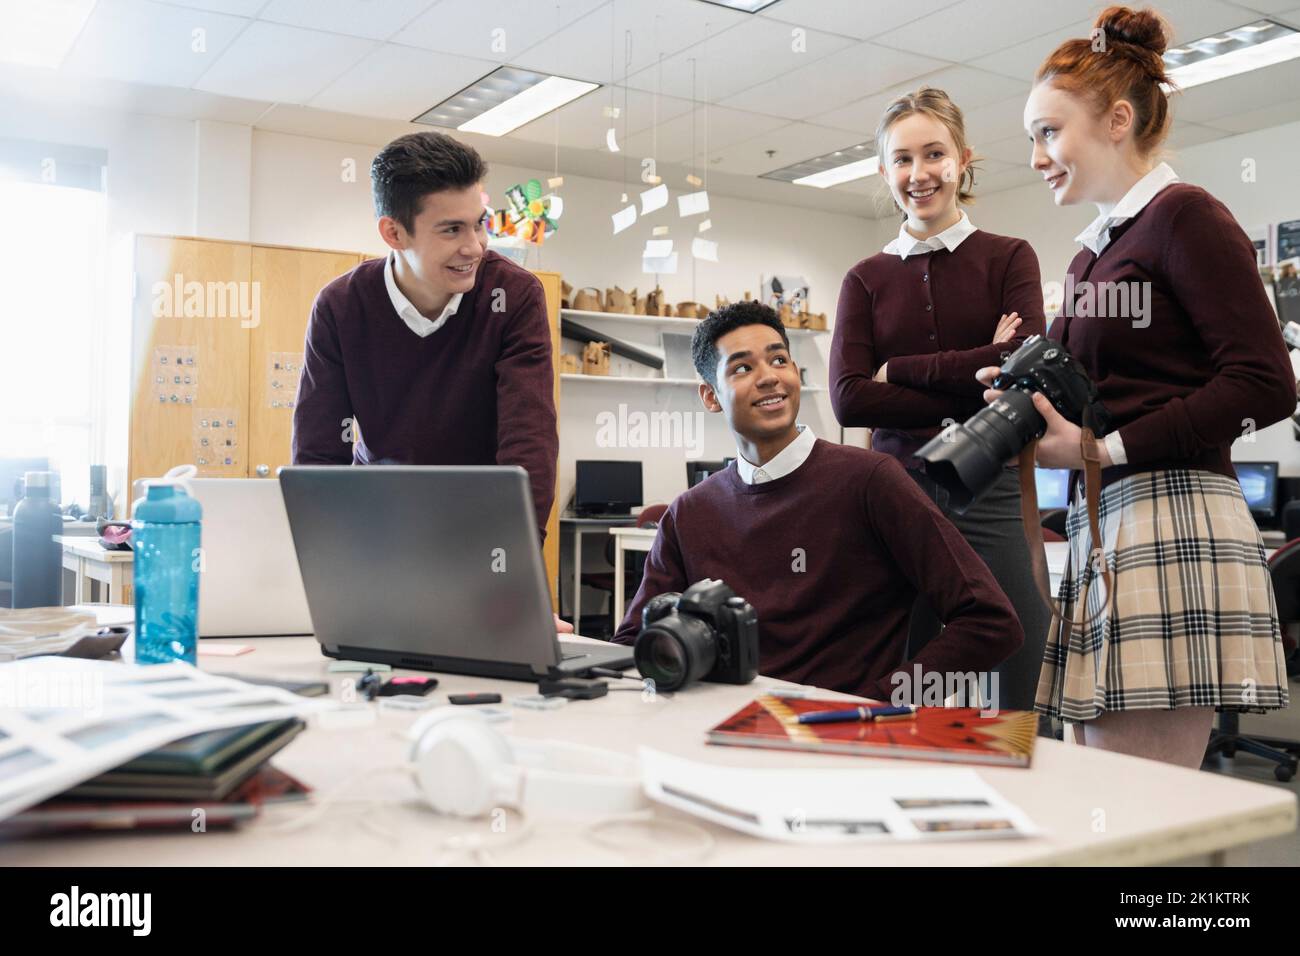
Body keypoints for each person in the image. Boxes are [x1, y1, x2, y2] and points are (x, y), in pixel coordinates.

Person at [977, 5, 1294, 767]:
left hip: (1169, 515)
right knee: (1100, 785)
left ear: (1117, 120)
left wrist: (1102, 444)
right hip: (1107, 523)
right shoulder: (1093, 256)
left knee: (1136, 804)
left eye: (1049, 132)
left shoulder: (1184, 218)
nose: (1035, 156)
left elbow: (1265, 383)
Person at [613, 301, 1023, 703]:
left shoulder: (871, 481)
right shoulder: (689, 513)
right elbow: (633, 642)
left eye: (779, 360)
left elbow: (990, 622)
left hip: (838, 743)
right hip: (722, 736)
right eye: (742, 368)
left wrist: (885, 702)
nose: (768, 377)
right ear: (710, 395)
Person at [830, 87, 1050, 713]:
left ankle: (1013, 794)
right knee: (909, 674)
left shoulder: (1009, 257)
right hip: (897, 495)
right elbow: (849, 401)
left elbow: (1022, 375)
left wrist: (899, 371)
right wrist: (979, 363)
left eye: (934, 154)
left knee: (1016, 662)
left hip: (993, 489)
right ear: (884, 170)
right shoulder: (865, 279)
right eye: (902, 159)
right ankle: (908, 792)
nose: (919, 173)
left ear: (963, 159)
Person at [291, 131, 558, 541]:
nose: (475, 247)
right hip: (377, 522)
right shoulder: (340, 307)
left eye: (479, 225)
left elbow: (529, 442)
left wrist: (513, 555)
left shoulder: (514, 297)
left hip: (484, 522)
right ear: (394, 233)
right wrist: (327, 554)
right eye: (452, 230)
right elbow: (319, 455)